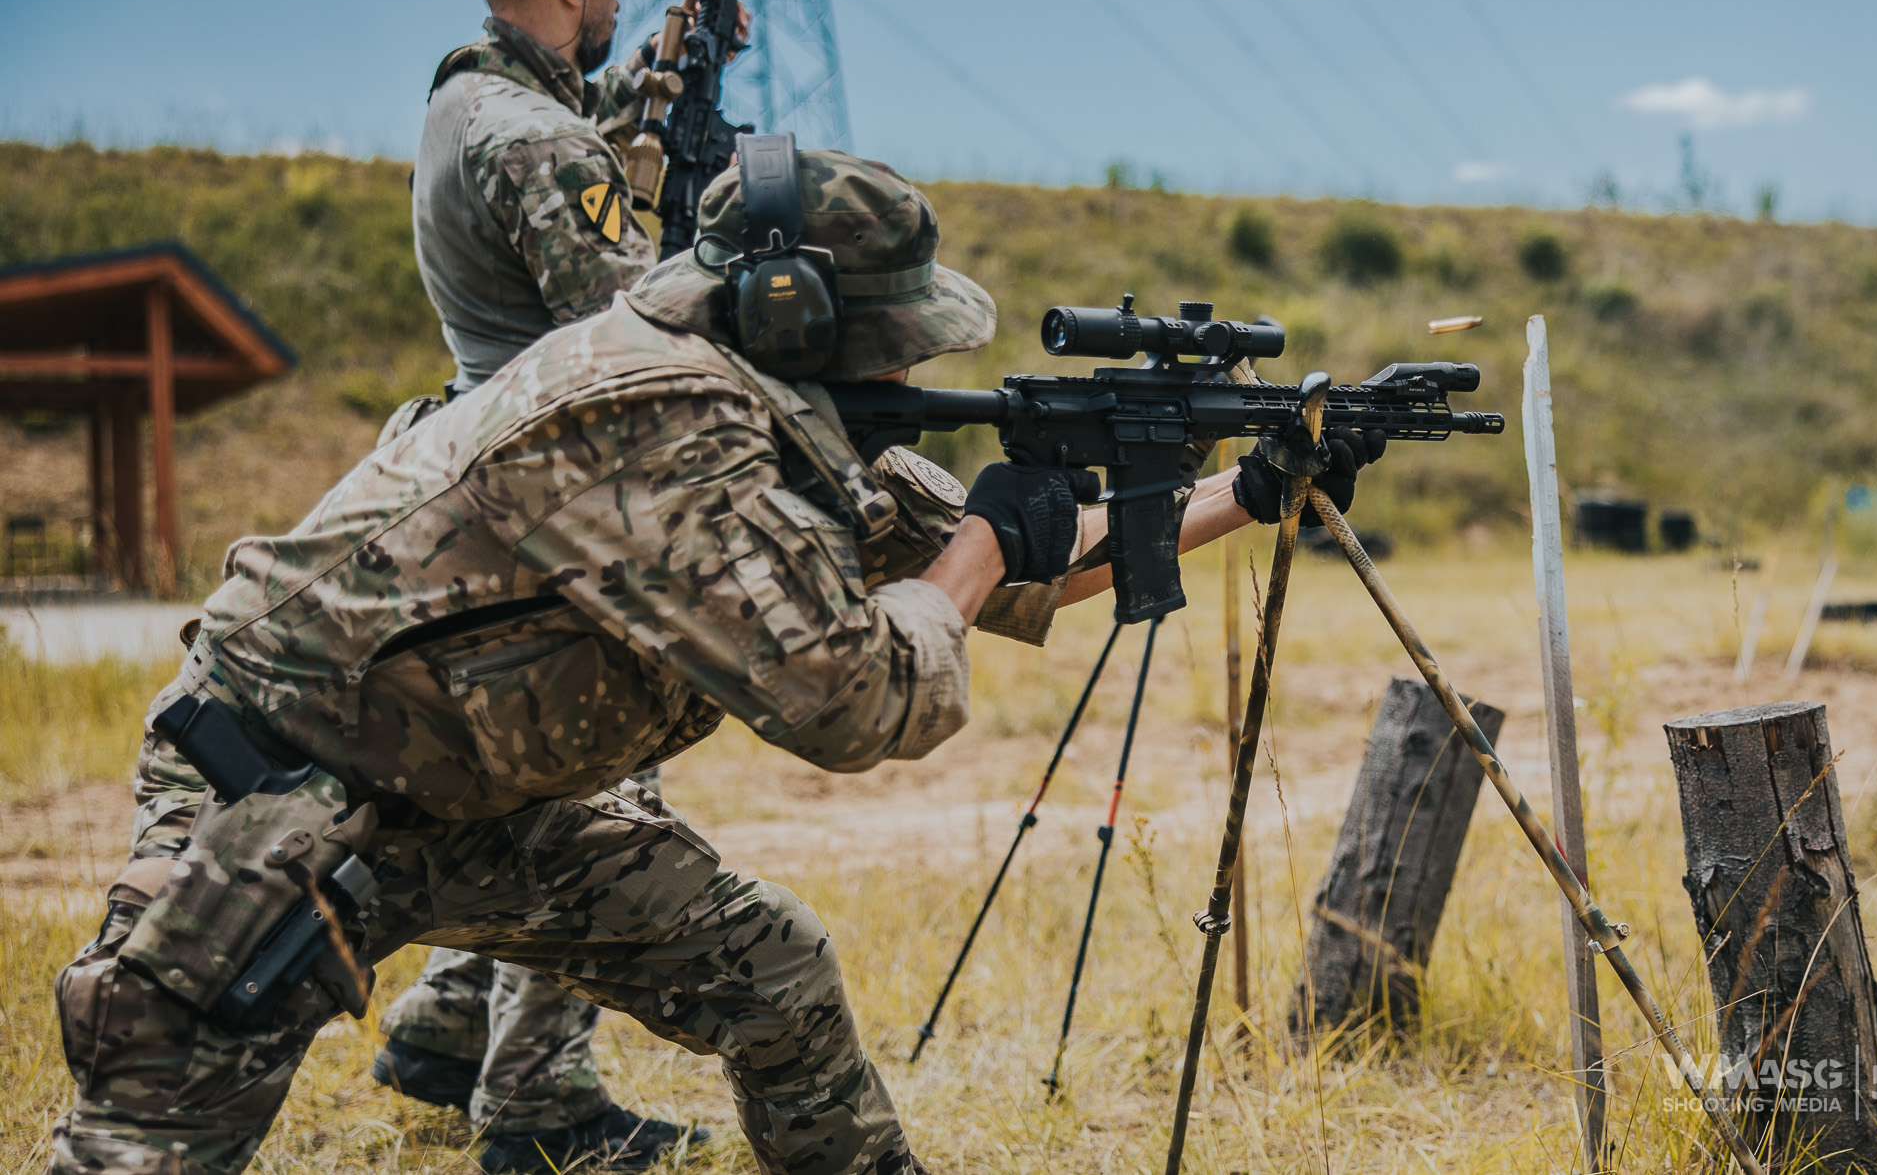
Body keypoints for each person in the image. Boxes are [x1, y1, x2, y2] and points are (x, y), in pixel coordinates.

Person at [44, 151, 1373, 1175]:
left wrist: (1249, 491)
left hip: (480, 799)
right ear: (795, 317)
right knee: (145, 1148)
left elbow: (1019, 560)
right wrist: (978, 545)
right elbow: (857, 698)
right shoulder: (651, 419)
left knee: (771, 967)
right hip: (283, 801)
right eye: (896, 328)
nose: (916, 354)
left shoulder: (774, 419)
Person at [365, 0, 748, 1169]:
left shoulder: (470, 101)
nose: (611, 12)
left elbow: (580, 131)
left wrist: (666, 62)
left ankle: (445, 1022)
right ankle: (540, 1101)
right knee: (592, 793)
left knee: (526, 779)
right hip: (558, 497)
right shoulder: (537, 143)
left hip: (489, 469)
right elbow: (625, 328)